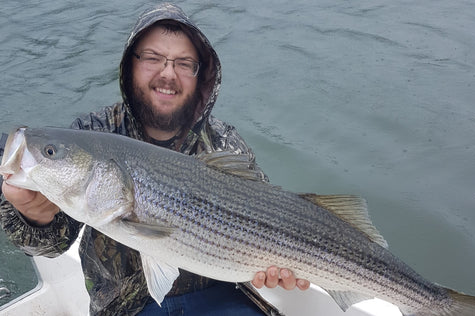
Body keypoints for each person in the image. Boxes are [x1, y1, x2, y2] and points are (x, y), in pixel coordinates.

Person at [0, 3, 309, 316]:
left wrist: (278, 268)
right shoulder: (94, 132)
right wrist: (33, 215)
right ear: (130, 65)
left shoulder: (225, 144)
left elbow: (273, 218)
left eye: (185, 63)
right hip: (127, 308)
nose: (168, 73)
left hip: (223, 296)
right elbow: (48, 246)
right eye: (152, 58)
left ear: (200, 76)